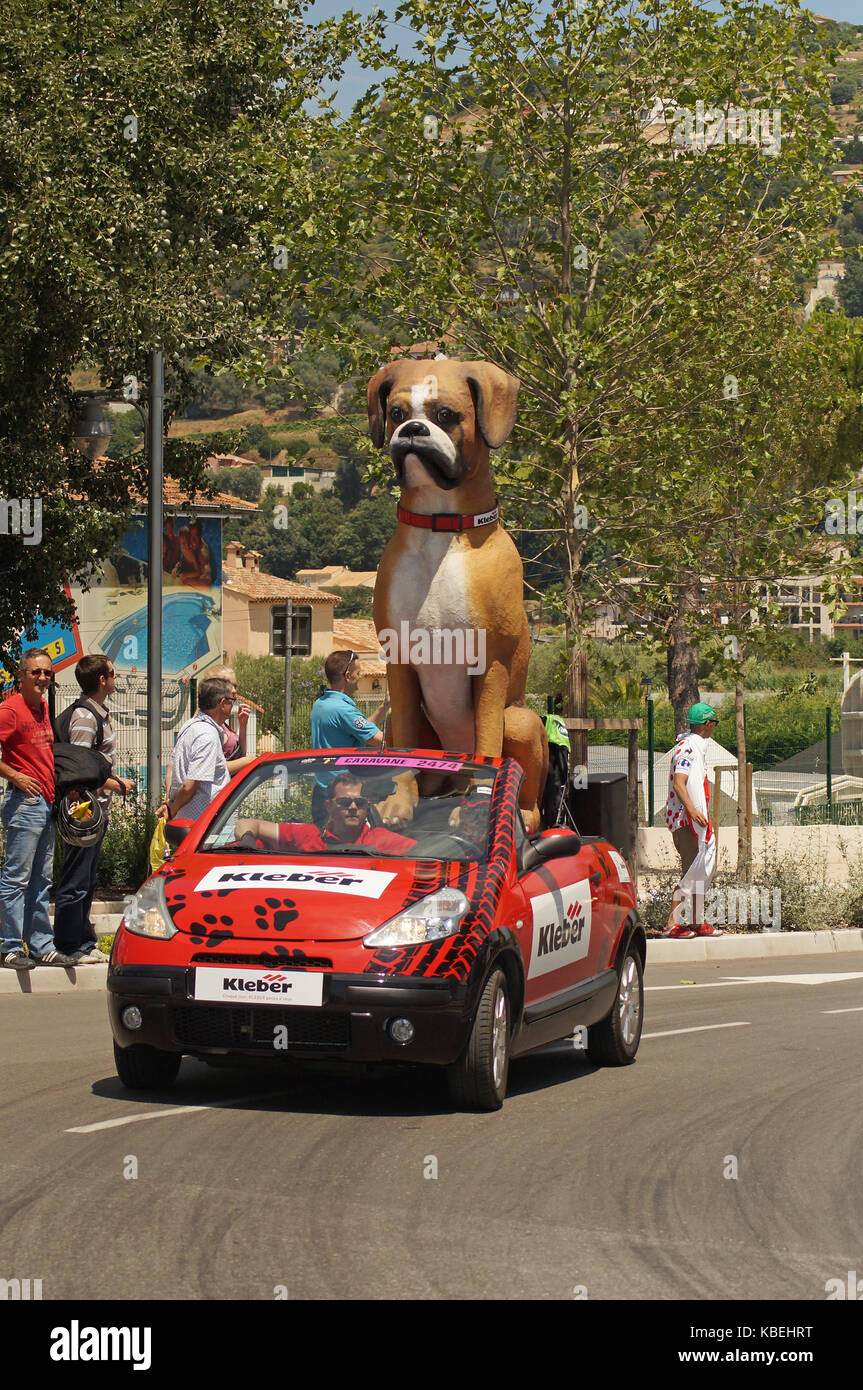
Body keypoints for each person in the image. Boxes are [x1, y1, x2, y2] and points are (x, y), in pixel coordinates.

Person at [52, 655, 135, 964]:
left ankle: (84, 941)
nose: (115, 678)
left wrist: (113, 780)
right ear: (102, 679)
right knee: (75, 879)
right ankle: (69, 944)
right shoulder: (86, 718)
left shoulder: (98, 713)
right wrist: (114, 785)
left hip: (95, 811)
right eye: (112, 673)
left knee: (87, 879)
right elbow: (78, 770)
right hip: (83, 814)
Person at [0, 649, 71, 968]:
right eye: (36, 672)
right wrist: (15, 775)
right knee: (17, 878)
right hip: (24, 804)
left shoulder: (43, 705)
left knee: (42, 879)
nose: (43, 678)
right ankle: (9, 946)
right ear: (22, 675)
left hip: (45, 803)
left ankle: (41, 944)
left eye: (47, 673)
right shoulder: (10, 710)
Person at [234, 773, 416, 854]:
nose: (353, 807)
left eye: (359, 802)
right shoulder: (306, 834)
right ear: (328, 806)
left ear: (367, 806)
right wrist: (247, 844)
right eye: (344, 802)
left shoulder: (384, 840)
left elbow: (428, 854)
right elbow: (247, 823)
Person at [156, 677, 255, 823]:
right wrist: (171, 808)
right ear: (222, 703)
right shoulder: (207, 735)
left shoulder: (190, 726)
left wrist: (171, 804)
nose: (233, 705)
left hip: (189, 822)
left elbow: (172, 768)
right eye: (232, 701)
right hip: (202, 826)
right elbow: (190, 786)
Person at [663, 702, 722, 938]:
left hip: (695, 821)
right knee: (691, 872)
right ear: (707, 724)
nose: (714, 727)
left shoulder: (696, 748)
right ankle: (671, 924)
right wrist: (693, 811)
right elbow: (680, 783)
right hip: (686, 822)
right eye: (714, 723)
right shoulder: (687, 749)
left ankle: (697, 921)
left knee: (701, 872)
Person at [309, 651, 390, 823]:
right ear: (348, 675)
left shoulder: (322, 704)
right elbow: (378, 740)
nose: (360, 677)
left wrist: (384, 706)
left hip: (323, 792)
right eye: (358, 673)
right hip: (343, 798)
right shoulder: (342, 709)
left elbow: (362, 730)